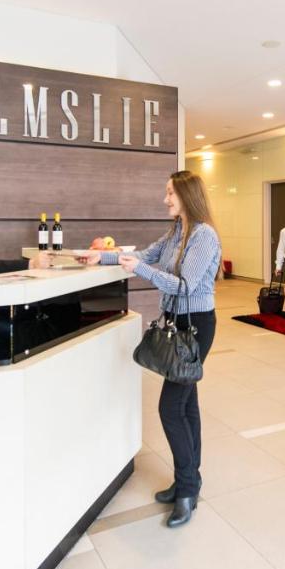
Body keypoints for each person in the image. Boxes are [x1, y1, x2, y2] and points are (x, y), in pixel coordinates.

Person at [86, 170, 221, 528]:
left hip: (196, 325)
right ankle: (188, 480)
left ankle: (187, 488)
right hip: (178, 323)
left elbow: (186, 285)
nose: (165, 199)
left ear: (187, 196)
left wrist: (142, 270)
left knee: (170, 407)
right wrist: (104, 258)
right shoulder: (177, 231)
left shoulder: (204, 235)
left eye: (170, 193)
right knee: (186, 404)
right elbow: (145, 255)